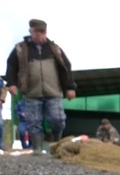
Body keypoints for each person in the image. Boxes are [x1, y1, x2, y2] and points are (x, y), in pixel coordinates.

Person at [5, 19, 76, 153]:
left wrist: (70, 87)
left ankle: (56, 144)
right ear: (30, 31)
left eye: (42, 32)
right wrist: (11, 83)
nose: (39, 35)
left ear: (46, 32)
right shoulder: (20, 48)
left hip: (53, 91)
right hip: (31, 92)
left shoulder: (54, 49)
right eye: (36, 32)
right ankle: (37, 148)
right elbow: (12, 66)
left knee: (57, 119)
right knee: (33, 121)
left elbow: (66, 67)